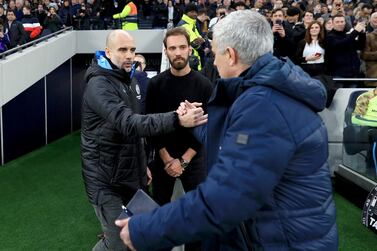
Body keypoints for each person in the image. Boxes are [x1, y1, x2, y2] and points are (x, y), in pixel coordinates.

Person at [116, 10, 338, 251]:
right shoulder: (263, 93)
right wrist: (198, 122)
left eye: (214, 51)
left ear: (230, 55)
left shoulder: (264, 105)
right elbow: (233, 140)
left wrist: (144, 229)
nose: (213, 59)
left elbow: (224, 200)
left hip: (282, 241)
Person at [81, 29, 207, 251]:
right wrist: (177, 119)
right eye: (122, 50)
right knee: (118, 242)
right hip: (106, 182)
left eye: (132, 50)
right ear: (108, 52)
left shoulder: (127, 80)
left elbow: (136, 130)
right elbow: (129, 123)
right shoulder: (99, 85)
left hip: (131, 175)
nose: (129, 55)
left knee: (142, 236)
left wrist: (142, 164)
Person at [145, 26, 212, 211]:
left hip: (193, 157)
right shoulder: (155, 85)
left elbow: (207, 129)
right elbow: (150, 127)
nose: (178, 53)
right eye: (172, 48)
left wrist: (183, 161)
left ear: (189, 49)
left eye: (182, 47)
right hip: (162, 157)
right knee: (160, 211)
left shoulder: (204, 85)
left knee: (198, 213)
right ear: (166, 51)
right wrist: (167, 160)